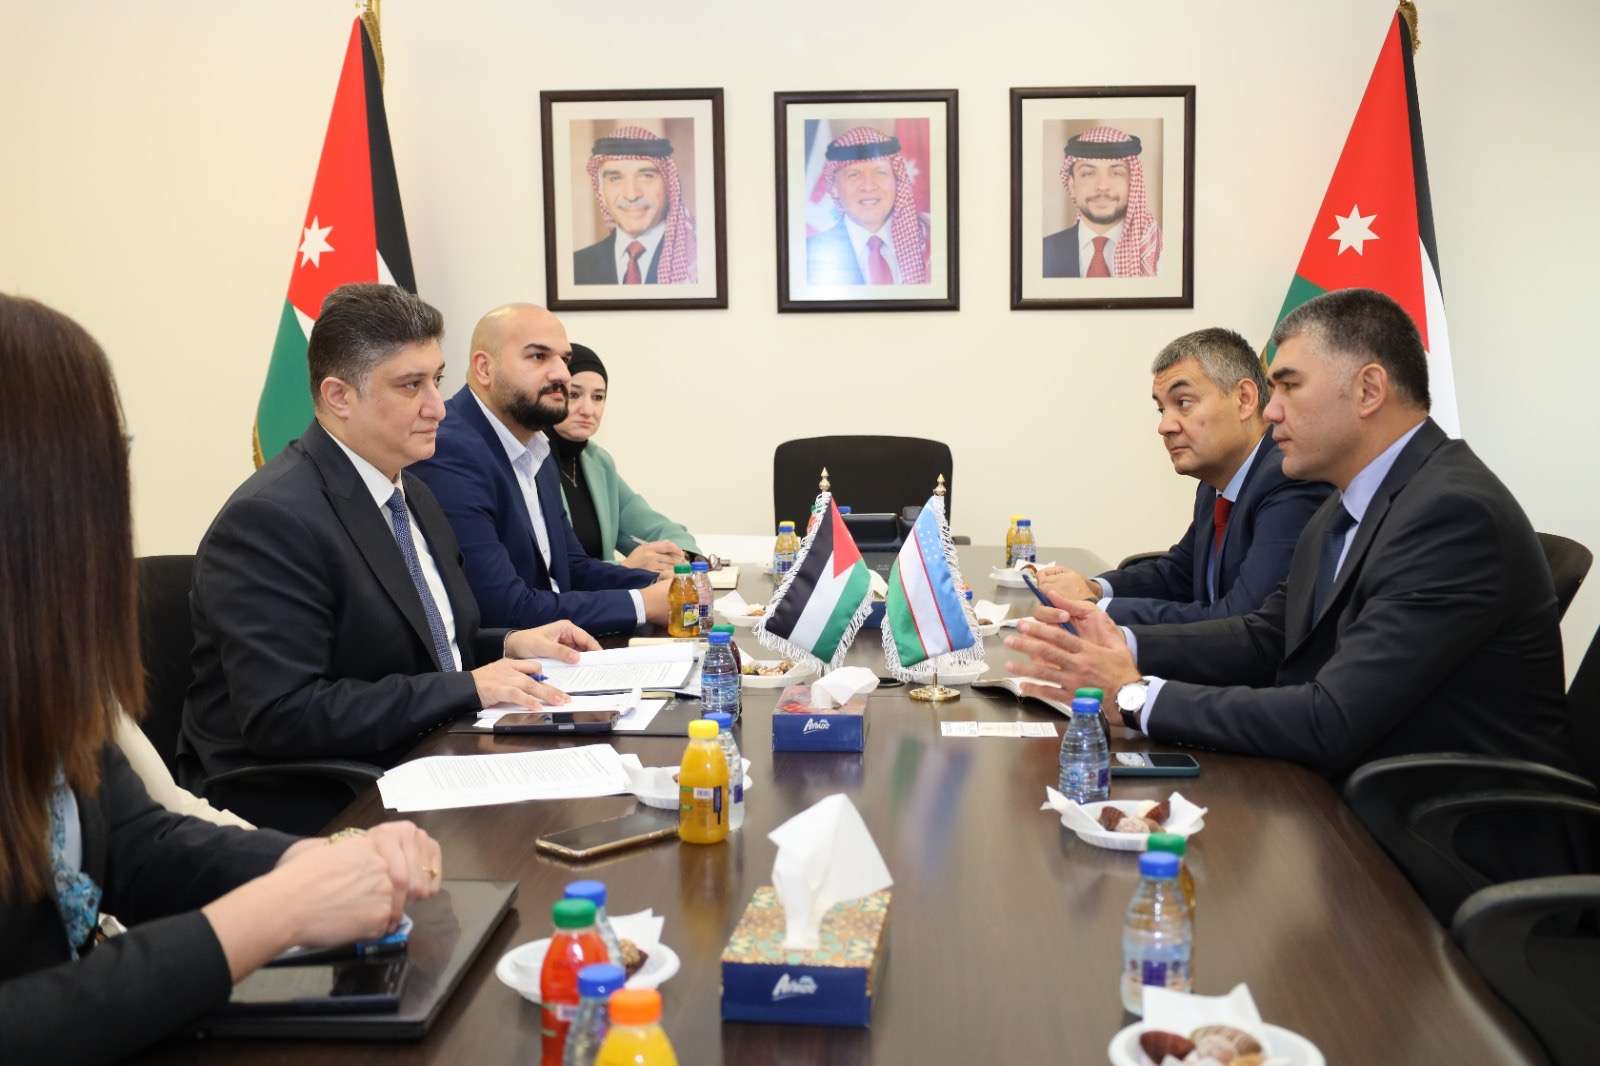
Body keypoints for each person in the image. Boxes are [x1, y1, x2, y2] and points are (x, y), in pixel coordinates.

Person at [0, 293, 443, 1064]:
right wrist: (272, 913)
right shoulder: (277, 513)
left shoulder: (36, 661)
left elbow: (136, 843)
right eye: (109, 453)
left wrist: (311, 861)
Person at [1004, 288, 1571, 778]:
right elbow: (1267, 636)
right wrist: (1120, 642)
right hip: (1346, 788)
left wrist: (1135, 696)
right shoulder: (1347, 503)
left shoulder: (1450, 515)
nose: (1270, 412)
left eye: (1289, 386)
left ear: (1369, 390)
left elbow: (1333, 718)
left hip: (1430, 829)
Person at [180, 285, 599, 832]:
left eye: (436, 380)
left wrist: (508, 644)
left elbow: (425, 646)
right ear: (339, 397)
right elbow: (284, 716)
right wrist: (469, 686)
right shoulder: (271, 520)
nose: (438, 407)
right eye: (410, 385)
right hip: (316, 797)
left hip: (427, 751)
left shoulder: (410, 490)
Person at [409, 304, 669, 635]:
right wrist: (643, 603)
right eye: (538, 357)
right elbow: (505, 609)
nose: (562, 374)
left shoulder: (536, 446)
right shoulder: (448, 451)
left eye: (564, 359)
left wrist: (659, 583)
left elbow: (571, 568)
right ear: (485, 369)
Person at [1038, 328, 1329, 624]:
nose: (1165, 426)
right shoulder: (1214, 486)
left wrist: (1097, 609)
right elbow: (1178, 575)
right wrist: (1095, 589)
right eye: (1161, 409)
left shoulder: (1288, 479)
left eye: (1183, 403)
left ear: (1244, 399)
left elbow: (1242, 621)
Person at [549, 343, 700, 573]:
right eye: (574, 394)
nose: (588, 409)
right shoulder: (530, 463)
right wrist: (624, 568)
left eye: (598, 397)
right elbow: (549, 569)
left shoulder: (598, 462)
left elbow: (655, 528)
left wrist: (681, 555)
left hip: (605, 594)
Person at [805, 126, 931, 286]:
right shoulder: (807, 255)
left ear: (897, 180)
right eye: (854, 174)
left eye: (880, 172)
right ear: (834, 188)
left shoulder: (931, 240)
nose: (869, 186)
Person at [572, 127, 697, 285]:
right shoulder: (576, 267)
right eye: (615, 178)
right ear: (601, 191)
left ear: (669, 185)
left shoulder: (698, 261)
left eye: (646, 176)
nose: (631, 195)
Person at [1042, 126, 1162, 278]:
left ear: (1132, 183)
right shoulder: (1042, 253)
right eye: (1088, 173)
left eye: (1116, 173)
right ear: (1072, 186)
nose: (1102, 186)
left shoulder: (1159, 254)